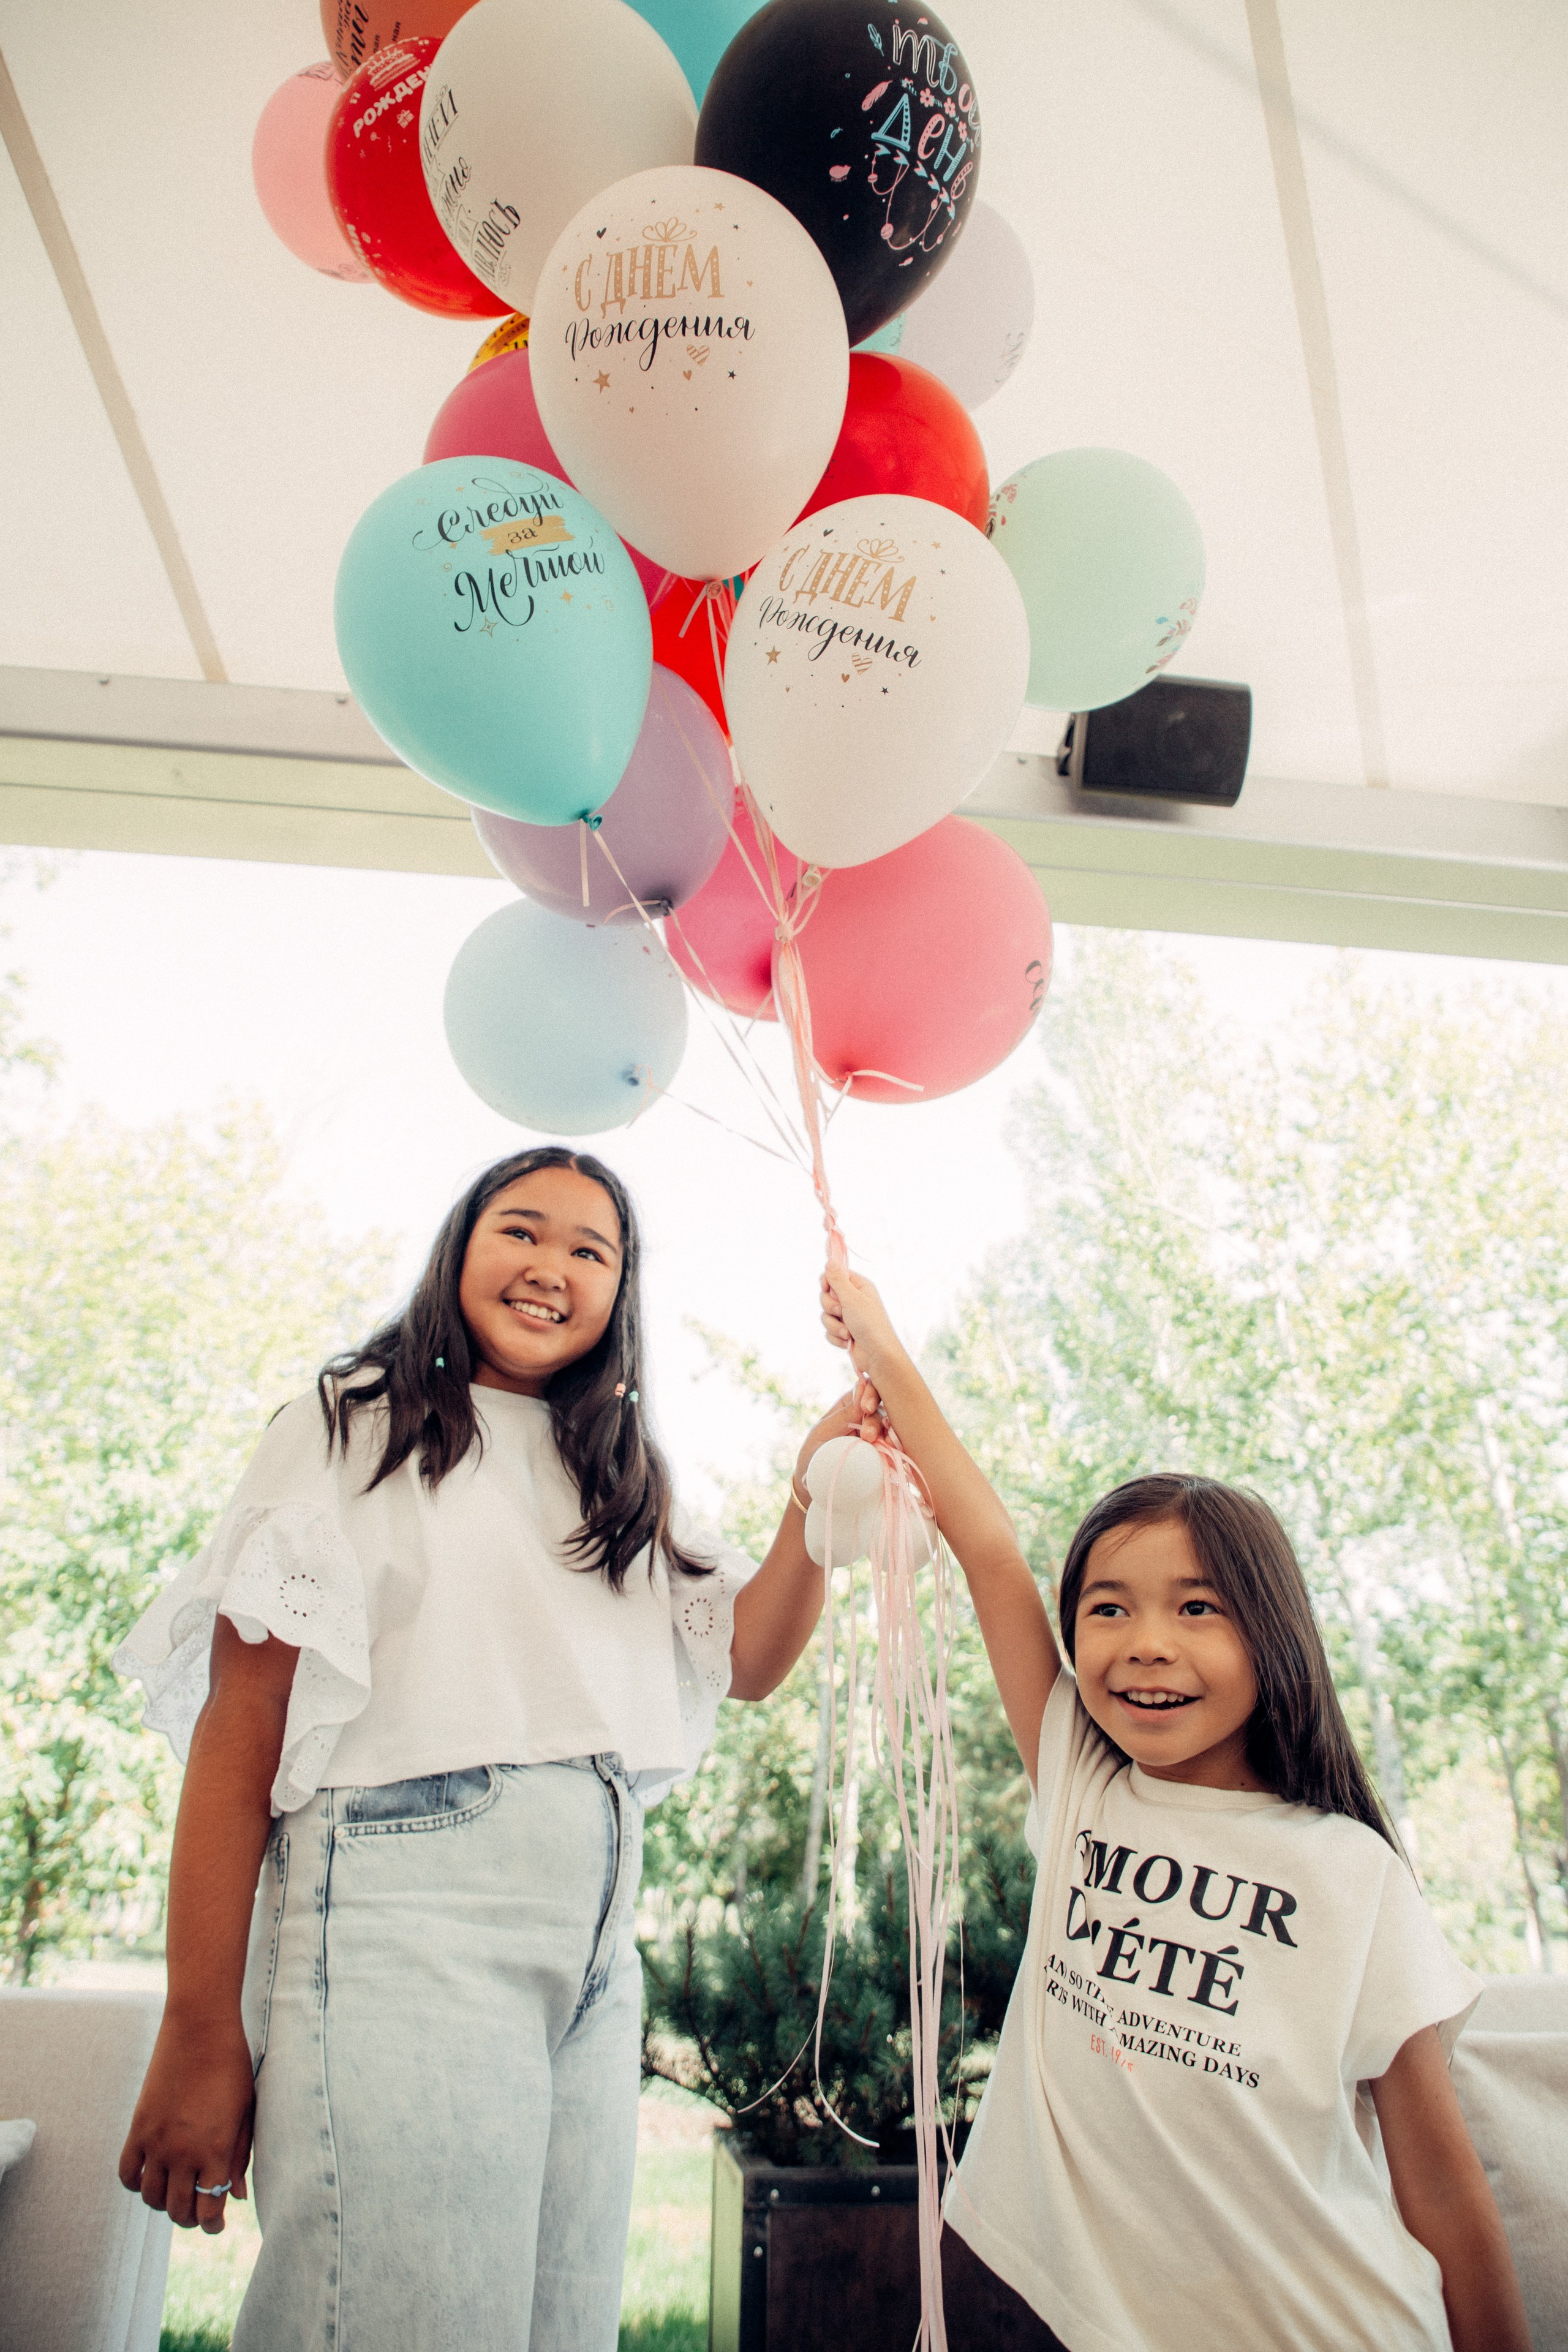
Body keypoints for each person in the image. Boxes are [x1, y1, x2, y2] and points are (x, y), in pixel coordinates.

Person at [115, 1146, 872, 2352]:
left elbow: (747, 1657)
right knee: (406, 2323)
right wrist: (199, 2023)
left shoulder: (617, 1470)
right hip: (405, 1921)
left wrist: (816, 1493)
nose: (550, 1266)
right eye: (521, 1230)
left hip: (595, 1948)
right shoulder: (349, 1425)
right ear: (458, 1247)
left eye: (590, 1249)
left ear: (620, 1291)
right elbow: (240, 1722)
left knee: (555, 2326)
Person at [820, 1265, 1532, 2352]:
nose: (1146, 1643)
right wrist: (882, 1348)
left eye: (1198, 1608)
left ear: (1272, 1637)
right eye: (1108, 1609)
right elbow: (991, 1551)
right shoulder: (1083, 1784)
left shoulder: (1350, 1872)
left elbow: (1439, 2186)